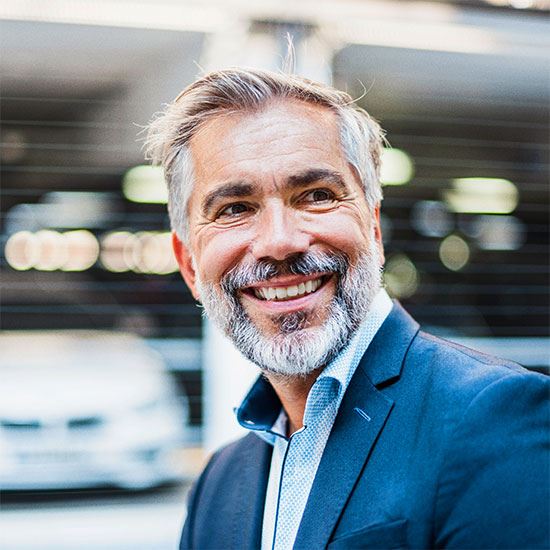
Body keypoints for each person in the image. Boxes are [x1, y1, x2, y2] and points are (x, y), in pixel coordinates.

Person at [146, 68, 549, 550]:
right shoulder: (219, 483)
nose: (279, 242)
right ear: (190, 264)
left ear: (373, 230)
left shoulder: (492, 418)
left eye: (316, 196)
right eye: (235, 208)